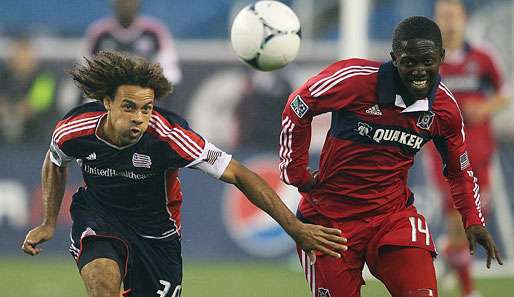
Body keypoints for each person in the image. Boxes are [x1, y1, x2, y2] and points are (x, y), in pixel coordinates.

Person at [21, 51, 347, 297]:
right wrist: (49, 222)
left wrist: (294, 228)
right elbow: (54, 161)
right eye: (129, 107)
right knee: (103, 288)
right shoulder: (74, 130)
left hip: (156, 234)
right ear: (107, 102)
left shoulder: (168, 136)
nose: (139, 118)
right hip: (99, 218)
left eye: (147, 108)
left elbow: (239, 173)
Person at [278, 16, 502, 297]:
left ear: (441, 58)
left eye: (428, 61)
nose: (420, 71)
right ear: (394, 58)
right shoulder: (355, 80)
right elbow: (298, 106)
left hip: (392, 217)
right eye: (410, 62)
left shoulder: (444, 109)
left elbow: (459, 171)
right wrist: (294, 171)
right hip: (329, 221)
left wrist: (473, 219)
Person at [431, 1, 510, 296]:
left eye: (453, 15)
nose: (448, 22)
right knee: (460, 215)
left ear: (464, 19)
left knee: (471, 219)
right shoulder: (429, 59)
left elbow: (505, 92)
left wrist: (485, 107)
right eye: (443, 16)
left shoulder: (482, 56)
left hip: (480, 151)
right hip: (444, 154)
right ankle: (468, 289)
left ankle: (450, 252)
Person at [84, 0, 181, 85]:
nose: (126, 5)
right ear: (113, 4)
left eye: (130, 1)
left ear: (139, 3)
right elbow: (84, 66)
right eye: (122, 1)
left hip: (146, 89)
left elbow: (169, 68)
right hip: (108, 92)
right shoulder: (99, 32)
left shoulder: (155, 30)